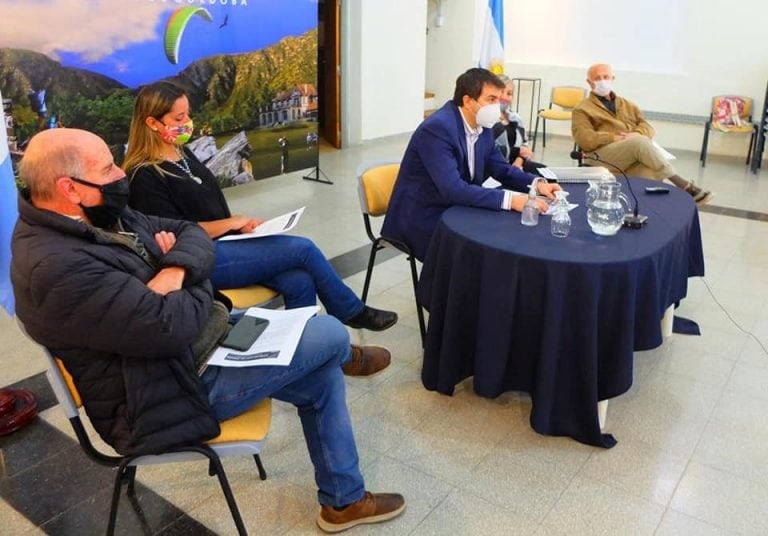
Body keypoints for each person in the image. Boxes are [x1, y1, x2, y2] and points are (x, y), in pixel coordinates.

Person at [11, 128, 406, 532]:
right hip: (164, 394)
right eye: (108, 167)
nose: (119, 174)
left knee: (321, 372)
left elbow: (191, 234)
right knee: (331, 336)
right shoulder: (57, 266)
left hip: (193, 350)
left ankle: (343, 502)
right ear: (69, 188)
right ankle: (345, 370)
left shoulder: (98, 216)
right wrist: (192, 279)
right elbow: (169, 329)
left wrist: (174, 269)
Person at [123, 82, 398, 349]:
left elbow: (205, 205)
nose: (188, 122)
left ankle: (310, 354)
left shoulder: (181, 153)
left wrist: (239, 227)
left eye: (188, 114)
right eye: (179, 117)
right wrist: (230, 223)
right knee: (303, 249)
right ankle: (350, 311)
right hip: (198, 259)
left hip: (225, 243)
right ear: (152, 123)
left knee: (300, 280)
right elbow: (175, 233)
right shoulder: (144, 176)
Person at [382, 68, 561, 261]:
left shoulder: (482, 126)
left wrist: (537, 185)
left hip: (455, 207)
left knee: (505, 235)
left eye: (498, 100)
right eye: (491, 99)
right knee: (483, 250)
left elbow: (502, 169)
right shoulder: (437, 129)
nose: (497, 106)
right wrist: (512, 200)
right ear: (468, 101)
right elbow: (454, 189)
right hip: (423, 215)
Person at [572, 63, 713, 205]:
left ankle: (647, 212)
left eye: (606, 77)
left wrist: (636, 133)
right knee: (638, 142)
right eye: (597, 78)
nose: (602, 81)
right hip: (599, 156)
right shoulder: (582, 109)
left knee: (649, 170)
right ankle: (683, 184)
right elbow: (584, 139)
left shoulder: (628, 105)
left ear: (612, 78)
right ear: (589, 82)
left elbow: (648, 127)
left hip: (629, 154)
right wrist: (614, 137)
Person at [492, 74, 546, 174]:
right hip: (497, 167)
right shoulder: (488, 120)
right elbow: (490, 152)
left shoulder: (516, 118)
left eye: (509, 93)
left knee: (546, 172)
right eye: (501, 92)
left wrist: (518, 162)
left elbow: (525, 145)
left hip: (517, 164)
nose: (504, 97)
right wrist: (517, 152)